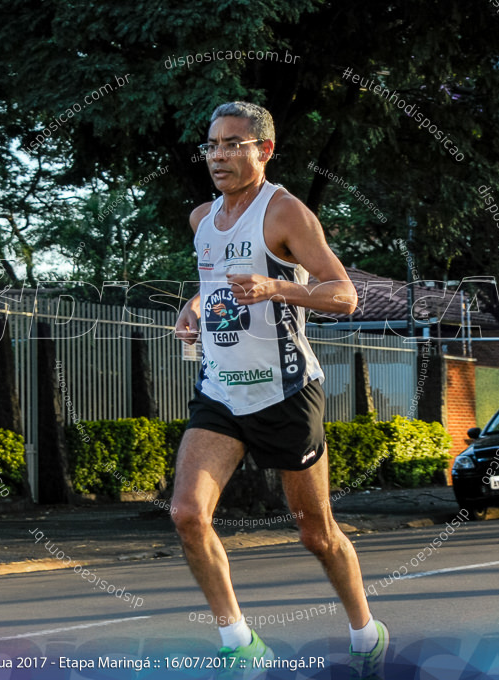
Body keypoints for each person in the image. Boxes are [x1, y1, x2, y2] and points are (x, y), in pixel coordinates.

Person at [172, 101, 389, 678]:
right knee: (188, 513)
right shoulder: (202, 219)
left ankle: (366, 633)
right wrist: (193, 308)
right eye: (212, 145)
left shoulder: (286, 213)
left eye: (232, 144)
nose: (218, 155)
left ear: (263, 151)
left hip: (287, 391)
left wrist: (276, 287)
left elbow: (344, 294)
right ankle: (239, 646)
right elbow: (213, 287)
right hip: (220, 390)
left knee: (315, 533)